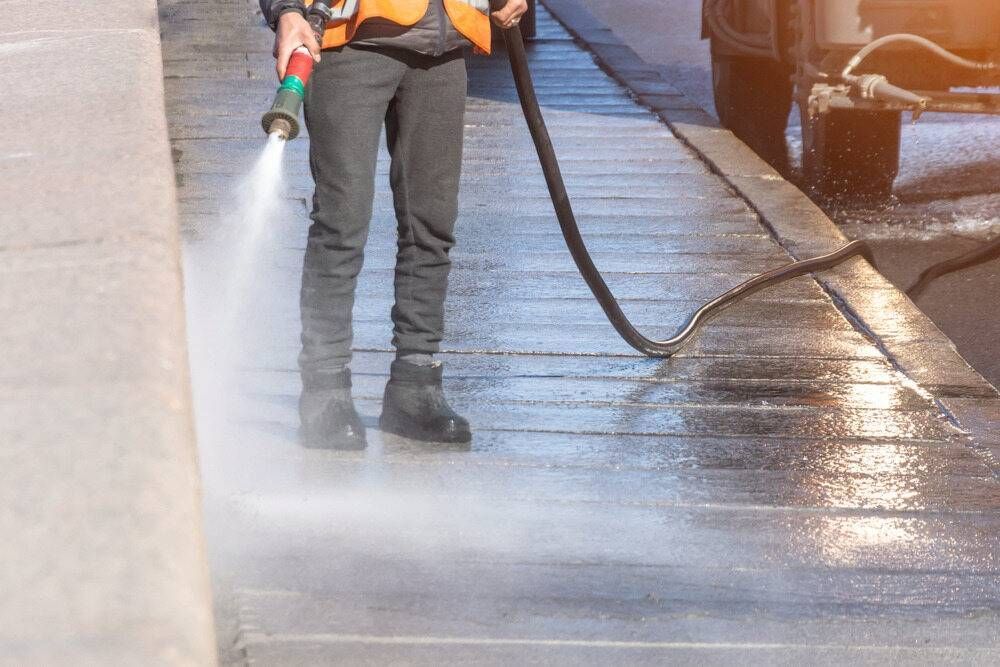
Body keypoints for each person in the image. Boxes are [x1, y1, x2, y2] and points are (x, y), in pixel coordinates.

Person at [261, 0, 528, 450]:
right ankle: (324, 389)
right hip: (350, 48)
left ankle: (416, 384)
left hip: (443, 49)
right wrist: (286, 11)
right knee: (342, 222)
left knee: (432, 224)